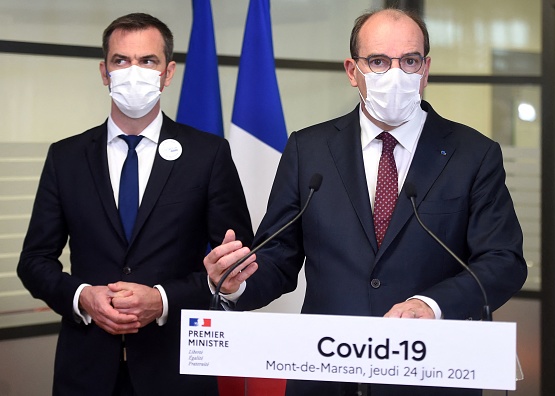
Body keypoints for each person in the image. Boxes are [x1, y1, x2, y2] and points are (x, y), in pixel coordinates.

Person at [205, 7, 527, 396]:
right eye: (378, 61)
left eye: (408, 61)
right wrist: (236, 283)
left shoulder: (473, 153)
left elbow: (502, 262)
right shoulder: (309, 149)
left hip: (430, 377)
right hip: (325, 375)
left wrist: (432, 305)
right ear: (351, 69)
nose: (395, 75)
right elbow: (278, 257)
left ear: (425, 69)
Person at [17, 13, 253, 396]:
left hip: (176, 370)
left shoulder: (207, 155)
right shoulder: (66, 157)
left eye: (148, 61)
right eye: (121, 61)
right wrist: (82, 297)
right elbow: (34, 261)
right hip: (85, 371)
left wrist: (162, 299)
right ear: (104, 71)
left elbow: (236, 266)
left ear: (169, 72)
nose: (133, 71)